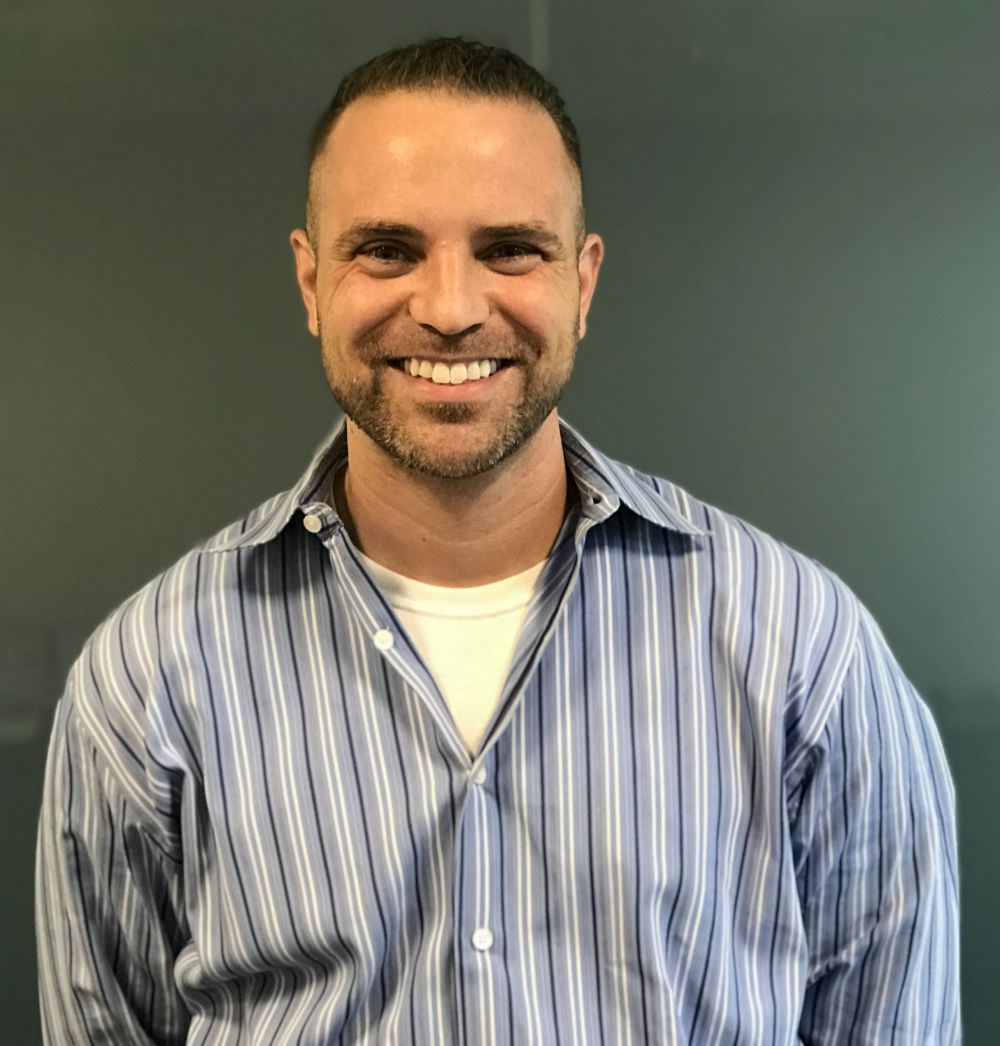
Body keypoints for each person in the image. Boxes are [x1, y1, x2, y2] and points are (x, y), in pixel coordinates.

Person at [36, 36, 959, 1045]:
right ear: (310, 282)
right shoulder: (149, 675)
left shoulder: (802, 649)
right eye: (387, 250)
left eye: (510, 249)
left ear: (582, 283)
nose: (450, 309)